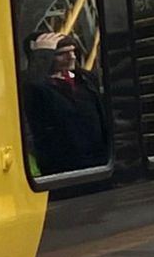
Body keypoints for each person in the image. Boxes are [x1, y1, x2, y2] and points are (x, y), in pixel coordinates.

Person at [22, 31, 108, 177]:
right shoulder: (33, 85)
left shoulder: (85, 79)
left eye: (73, 51)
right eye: (61, 54)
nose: (72, 57)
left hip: (99, 160)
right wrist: (42, 55)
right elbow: (33, 91)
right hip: (61, 165)